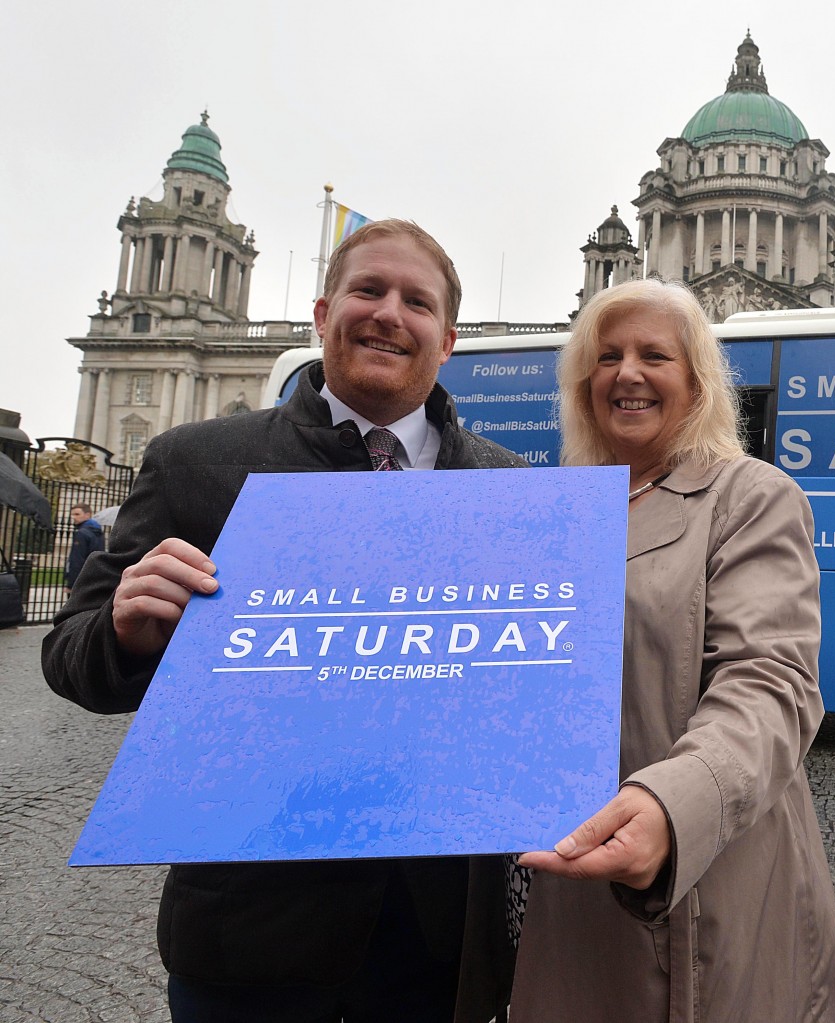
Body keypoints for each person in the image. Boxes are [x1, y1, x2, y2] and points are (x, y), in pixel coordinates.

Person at [42, 220, 528, 1023]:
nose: (387, 314)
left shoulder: (508, 487)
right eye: (367, 290)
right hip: (250, 933)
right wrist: (126, 630)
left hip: (436, 939)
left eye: (415, 301)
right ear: (321, 311)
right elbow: (71, 653)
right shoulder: (195, 461)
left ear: (447, 341)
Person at [456, 279, 835, 1022]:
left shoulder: (750, 495)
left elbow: (771, 681)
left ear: (698, 381)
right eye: (606, 356)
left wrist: (676, 804)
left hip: (700, 866)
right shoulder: (554, 507)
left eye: (654, 355)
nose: (627, 372)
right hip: (553, 878)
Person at [65, 503, 106, 592]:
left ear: (87, 515)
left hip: (80, 580)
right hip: (93, 576)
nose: (73, 517)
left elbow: (77, 559)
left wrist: (71, 584)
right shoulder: (98, 532)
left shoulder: (82, 533)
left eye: (77, 514)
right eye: (72, 514)